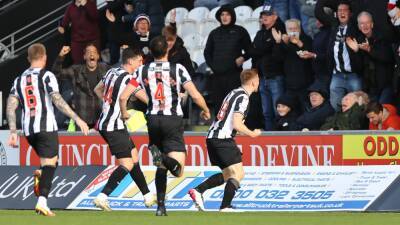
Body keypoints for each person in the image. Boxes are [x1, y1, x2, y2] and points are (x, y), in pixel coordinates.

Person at [120, 36, 211, 216]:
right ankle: (161, 156)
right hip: (172, 120)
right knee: (178, 171)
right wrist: (206, 109)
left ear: (150, 53)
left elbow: (124, 97)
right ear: (167, 50)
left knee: (160, 166)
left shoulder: (142, 70)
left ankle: (160, 207)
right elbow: (194, 94)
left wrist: (124, 111)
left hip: (152, 120)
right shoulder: (177, 69)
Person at [6, 43, 89, 216]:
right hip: (46, 127)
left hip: (28, 131)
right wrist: (77, 118)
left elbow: (10, 106)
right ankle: (42, 202)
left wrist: (13, 132)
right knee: (51, 163)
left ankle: (41, 174)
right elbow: (57, 99)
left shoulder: (18, 79)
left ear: (28, 59)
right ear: (44, 58)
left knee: (50, 161)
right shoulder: (46, 76)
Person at [188, 69, 261, 212]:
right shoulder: (243, 97)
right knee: (237, 174)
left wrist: (238, 131)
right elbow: (236, 123)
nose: (259, 82)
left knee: (228, 174)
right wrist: (252, 134)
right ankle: (225, 207)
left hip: (212, 137)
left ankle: (198, 190)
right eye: (258, 79)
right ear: (253, 82)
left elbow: (229, 121)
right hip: (223, 139)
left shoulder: (233, 93)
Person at [92, 48, 156, 211]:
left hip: (108, 123)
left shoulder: (111, 72)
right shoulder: (129, 79)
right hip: (113, 126)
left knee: (134, 158)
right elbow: (147, 100)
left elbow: (97, 89)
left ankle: (147, 195)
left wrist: (110, 104)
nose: (141, 63)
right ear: (131, 61)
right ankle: (102, 196)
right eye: (139, 60)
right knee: (127, 164)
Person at [315, 0, 363, 111]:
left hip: (353, 75)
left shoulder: (355, 26)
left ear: (350, 13)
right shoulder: (334, 25)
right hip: (337, 75)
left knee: (357, 107)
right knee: (336, 106)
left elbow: (358, 6)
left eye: (345, 10)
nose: (342, 12)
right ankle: (339, 126)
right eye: (339, 10)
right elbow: (318, 12)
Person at [204, 4, 252, 115]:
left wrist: (243, 58)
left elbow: (251, 50)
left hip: (234, 75)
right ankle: (219, 129)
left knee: (234, 104)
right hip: (217, 76)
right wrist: (213, 66)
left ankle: (234, 129)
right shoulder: (214, 33)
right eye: (222, 14)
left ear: (232, 16)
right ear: (219, 17)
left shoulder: (240, 31)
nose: (225, 17)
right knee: (219, 106)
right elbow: (207, 53)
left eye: (228, 14)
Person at [52, 44, 111, 129]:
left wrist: (122, 55)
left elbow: (119, 77)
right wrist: (61, 56)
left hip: (101, 120)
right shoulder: (76, 70)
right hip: (82, 122)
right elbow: (56, 74)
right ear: (84, 57)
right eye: (88, 52)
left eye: (94, 52)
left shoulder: (105, 69)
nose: (91, 54)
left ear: (98, 56)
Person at [347, 11, 395, 104]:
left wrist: (369, 49)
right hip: (370, 88)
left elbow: (388, 57)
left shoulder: (382, 37)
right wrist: (356, 52)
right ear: (358, 26)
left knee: (383, 111)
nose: (365, 26)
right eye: (362, 23)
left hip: (386, 85)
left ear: (372, 24)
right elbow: (357, 68)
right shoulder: (358, 40)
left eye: (367, 23)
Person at [252, 3, 286, 131]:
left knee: (278, 110)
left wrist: (264, 47)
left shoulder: (280, 30)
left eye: (268, 14)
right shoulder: (260, 33)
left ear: (275, 16)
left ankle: (279, 137)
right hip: (262, 77)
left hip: (275, 76)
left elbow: (279, 56)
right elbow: (255, 52)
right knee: (266, 112)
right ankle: (269, 137)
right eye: (263, 15)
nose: (265, 17)